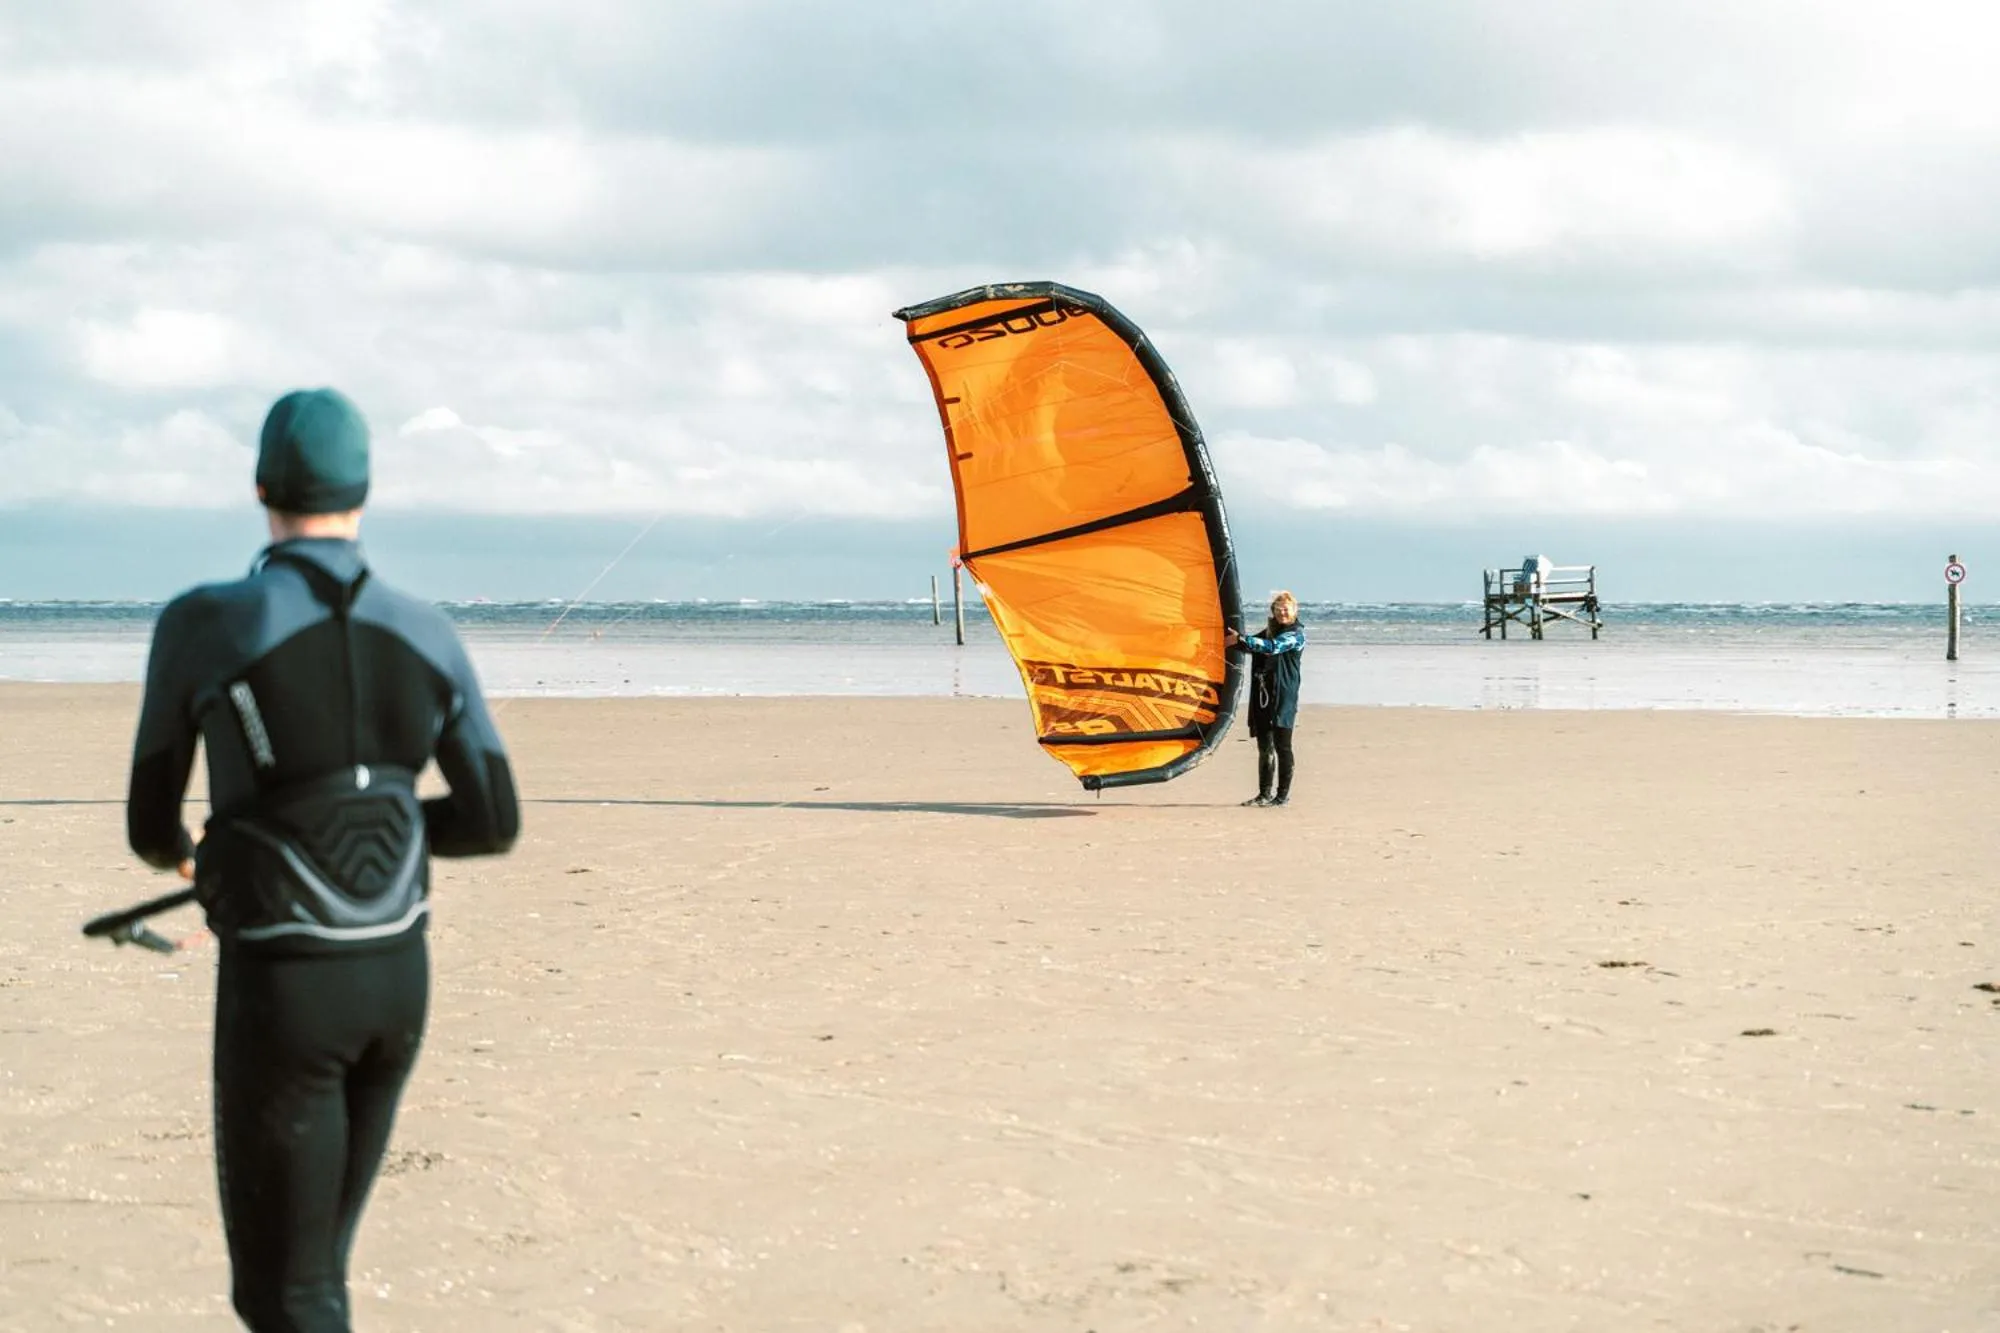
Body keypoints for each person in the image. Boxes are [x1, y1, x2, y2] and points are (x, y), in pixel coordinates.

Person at [125, 387, 521, 1331]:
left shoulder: (204, 622)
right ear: (364, 491)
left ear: (262, 486)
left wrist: (200, 856)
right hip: (397, 982)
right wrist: (366, 828)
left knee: (283, 1294)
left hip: (286, 988)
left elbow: (150, 824)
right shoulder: (427, 629)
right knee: (315, 1277)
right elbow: (493, 819)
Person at [1225, 590, 1306, 807]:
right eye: (1278, 609)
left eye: (1286, 609)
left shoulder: (1296, 634)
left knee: (1282, 746)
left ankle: (1282, 796)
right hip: (1264, 695)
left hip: (1284, 697)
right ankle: (1264, 794)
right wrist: (1232, 640)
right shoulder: (1270, 631)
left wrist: (1242, 639)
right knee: (1265, 746)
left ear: (1294, 610)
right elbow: (1251, 645)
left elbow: (1272, 647)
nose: (1282, 612)